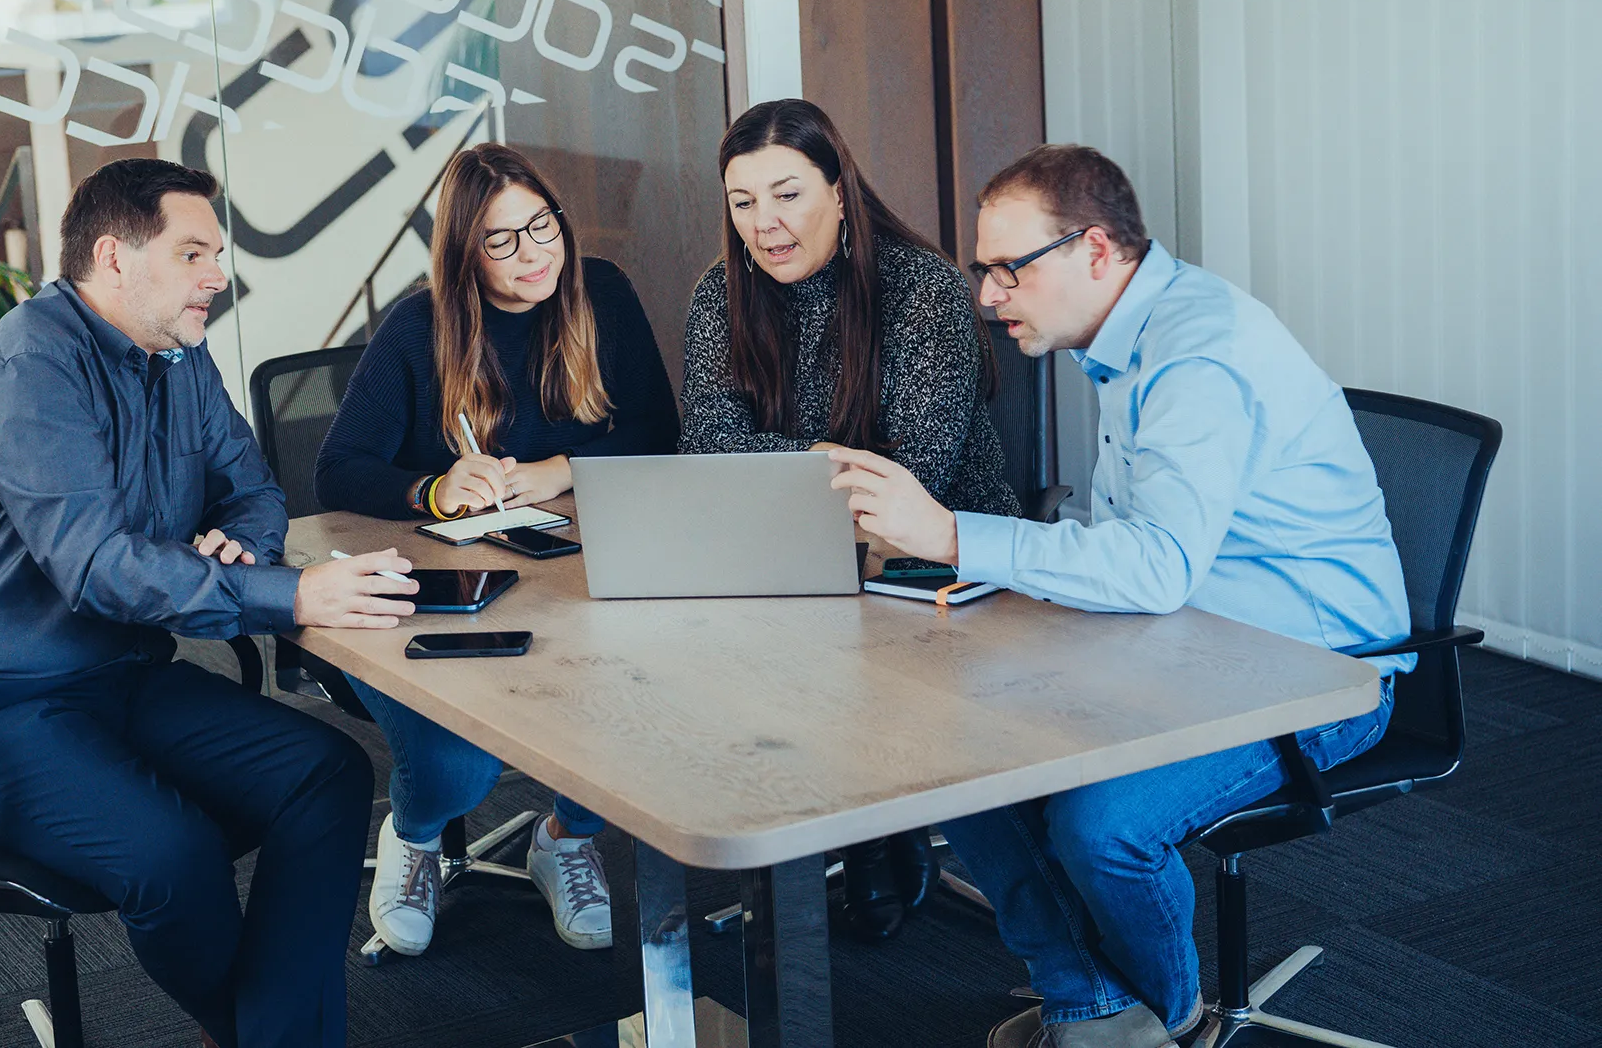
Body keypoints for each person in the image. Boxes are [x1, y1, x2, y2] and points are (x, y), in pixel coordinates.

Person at [830, 144, 1410, 1048]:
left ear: (1095, 252)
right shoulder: (1128, 337)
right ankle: (1092, 1006)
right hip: (1192, 642)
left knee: (1101, 824)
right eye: (983, 271)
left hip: (1320, 673)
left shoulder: (1197, 358)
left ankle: (1165, 1018)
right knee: (950, 752)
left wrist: (947, 533)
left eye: (1005, 270)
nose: (987, 297)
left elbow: (1157, 567)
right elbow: (1136, 553)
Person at [0, 159, 420, 1048]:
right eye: (194, 252)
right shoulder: (31, 367)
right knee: (174, 856)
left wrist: (242, 544)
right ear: (114, 256)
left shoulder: (179, 357)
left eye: (218, 253)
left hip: (117, 676)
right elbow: (96, 568)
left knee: (328, 775)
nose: (217, 274)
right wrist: (291, 594)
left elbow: (251, 485)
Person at [314, 142, 678, 957]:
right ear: (464, 253)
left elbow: (659, 431)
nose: (533, 252)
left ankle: (563, 836)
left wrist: (556, 470)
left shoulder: (601, 295)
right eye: (501, 239)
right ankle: (413, 841)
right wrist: (435, 490)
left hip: (567, 580)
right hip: (444, 586)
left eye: (540, 225)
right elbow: (337, 468)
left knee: (644, 704)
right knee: (462, 768)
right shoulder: (420, 327)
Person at [678, 97, 1021, 942]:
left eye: (787, 194)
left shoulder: (923, 290)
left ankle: (880, 823)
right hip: (787, 561)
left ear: (839, 190)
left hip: (935, 566)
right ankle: (831, 826)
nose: (766, 224)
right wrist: (829, 463)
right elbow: (704, 444)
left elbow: (915, 479)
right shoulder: (722, 293)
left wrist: (773, 462)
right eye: (743, 202)